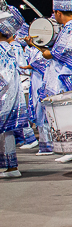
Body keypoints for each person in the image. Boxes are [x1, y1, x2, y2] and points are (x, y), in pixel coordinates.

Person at [25, 0, 72, 163]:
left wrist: (49, 53)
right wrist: (40, 48)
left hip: (68, 77)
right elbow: (54, 53)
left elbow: (68, 51)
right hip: (64, 74)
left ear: (59, 12)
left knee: (68, 112)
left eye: (55, 14)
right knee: (65, 112)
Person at [0, 11, 29, 178]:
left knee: (6, 132)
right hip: (10, 95)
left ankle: (12, 168)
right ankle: (11, 167)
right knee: (7, 132)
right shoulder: (9, 48)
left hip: (4, 96)